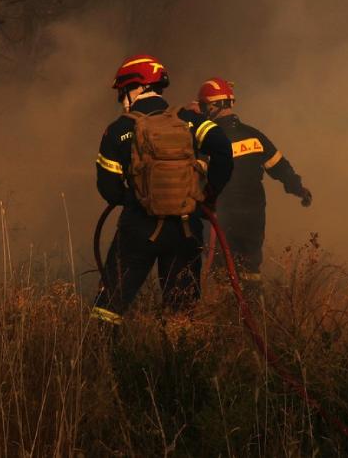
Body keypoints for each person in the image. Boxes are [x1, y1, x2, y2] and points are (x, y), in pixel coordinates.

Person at [91, 55, 234, 325]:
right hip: (186, 228)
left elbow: (108, 188)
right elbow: (223, 152)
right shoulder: (190, 119)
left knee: (108, 308)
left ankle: (104, 360)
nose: (122, 99)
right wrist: (207, 196)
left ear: (135, 88)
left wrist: (136, 200)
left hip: (138, 229)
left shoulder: (117, 129)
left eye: (122, 92)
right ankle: (179, 362)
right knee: (182, 313)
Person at [196, 77, 312, 285]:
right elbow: (280, 167)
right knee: (250, 269)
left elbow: (195, 176)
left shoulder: (208, 141)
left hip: (221, 217)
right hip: (254, 215)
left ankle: (227, 313)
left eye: (204, 106)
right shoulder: (254, 135)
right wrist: (298, 188)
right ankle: (254, 310)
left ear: (213, 107)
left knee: (222, 270)